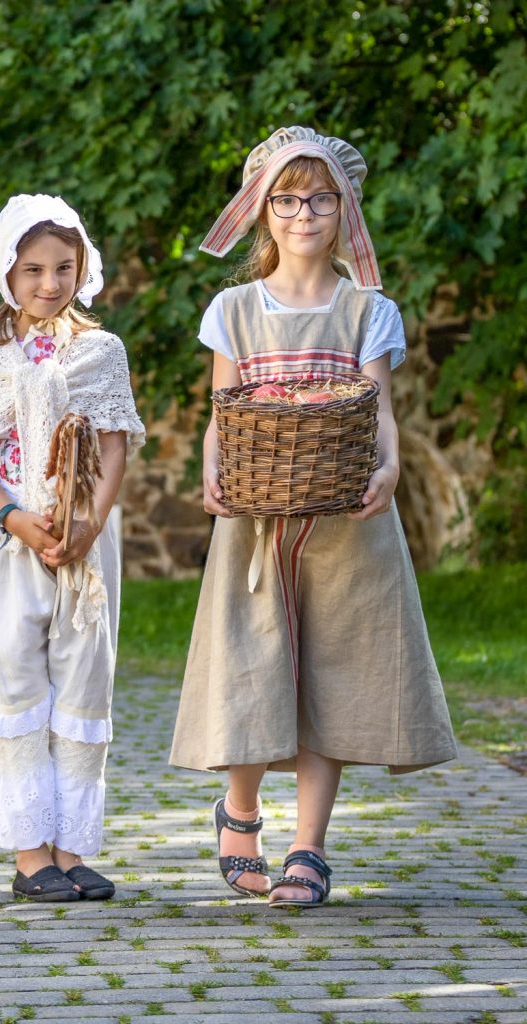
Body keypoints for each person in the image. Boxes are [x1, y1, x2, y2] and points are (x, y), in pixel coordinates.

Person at [170, 127, 457, 908]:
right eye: (287, 199)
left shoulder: (368, 308)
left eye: (320, 198)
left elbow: (380, 415)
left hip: (345, 516)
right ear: (262, 209)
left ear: (344, 207)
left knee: (331, 669)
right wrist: (211, 466)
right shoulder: (234, 308)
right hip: (258, 518)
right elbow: (221, 413)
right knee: (250, 660)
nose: (304, 213)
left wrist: (390, 469)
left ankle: (308, 846)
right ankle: (239, 811)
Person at [0, 194, 145, 902]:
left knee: (84, 681)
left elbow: (116, 445)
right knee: (16, 680)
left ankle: (73, 846)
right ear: (9, 272)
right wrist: (15, 518)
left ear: (82, 267)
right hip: (12, 540)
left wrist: (89, 523)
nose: (49, 284)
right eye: (33, 269)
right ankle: (31, 854)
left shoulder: (101, 352)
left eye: (63, 267)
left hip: (85, 541)